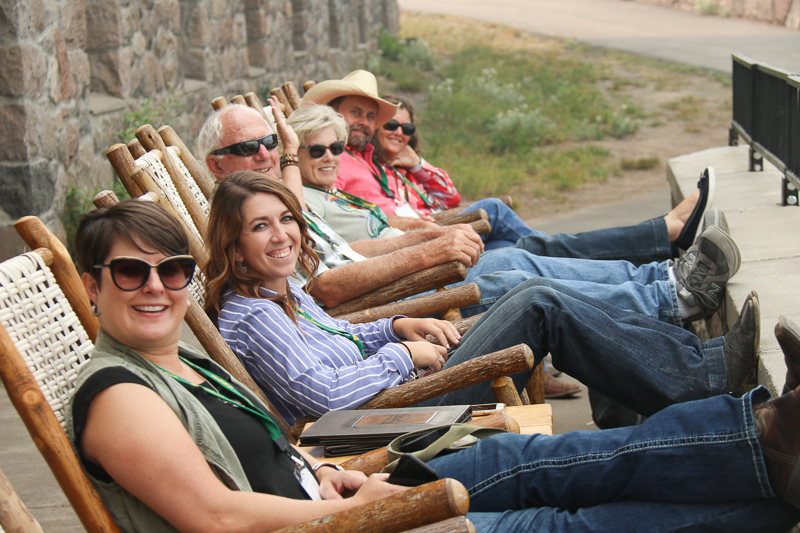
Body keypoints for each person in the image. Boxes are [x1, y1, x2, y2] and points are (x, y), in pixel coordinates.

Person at [65, 198, 800, 533]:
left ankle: (769, 444)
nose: (156, 286)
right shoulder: (120, 393)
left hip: (344, 475)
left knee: (544, 454)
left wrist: (328, 474)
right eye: (130, 273)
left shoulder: (190, 361)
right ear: (93, 284)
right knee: (554, 508)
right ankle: (766, 445)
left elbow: (275, 446)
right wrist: (348, 506)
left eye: (171, 269)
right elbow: (216, 514)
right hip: (351, 490)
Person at [205, 171, 760, 424]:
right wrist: (402, 357)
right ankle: (700, 375)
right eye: (260, 227)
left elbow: (341, 337)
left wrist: (396, 328)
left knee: (535, 292)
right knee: (536, 301)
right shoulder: (252, 315)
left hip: (401, 387)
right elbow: (322, 398)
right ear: (233, 246)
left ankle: (685, 372)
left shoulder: (285, 292)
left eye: (286, 220)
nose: (281, 235)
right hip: (393, 417)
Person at [277, 103, 736, 329]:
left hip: (426, 263)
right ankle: (666, 290)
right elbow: (326, 281)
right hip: (405, 295)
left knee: (525, 258)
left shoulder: (329, 190)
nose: (334, 154)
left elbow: (425, 202)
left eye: (338, 146)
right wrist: (424, 247)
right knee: (522, 271)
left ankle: (664, 280)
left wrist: (418, 228)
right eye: (316, 149)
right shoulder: (293, 205)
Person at [301, 69, 714, 262]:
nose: (370, 125)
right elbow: (377, 226)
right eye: (358, 114)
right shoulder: (331, 171)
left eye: (372, 118)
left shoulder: (373, 160)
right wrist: (428, 228)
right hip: (422, 244)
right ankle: (660, 242)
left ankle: (658, 243)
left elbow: (449, 195)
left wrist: (417, 162)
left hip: (432, 232)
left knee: (523, 249)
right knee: (516, 237)